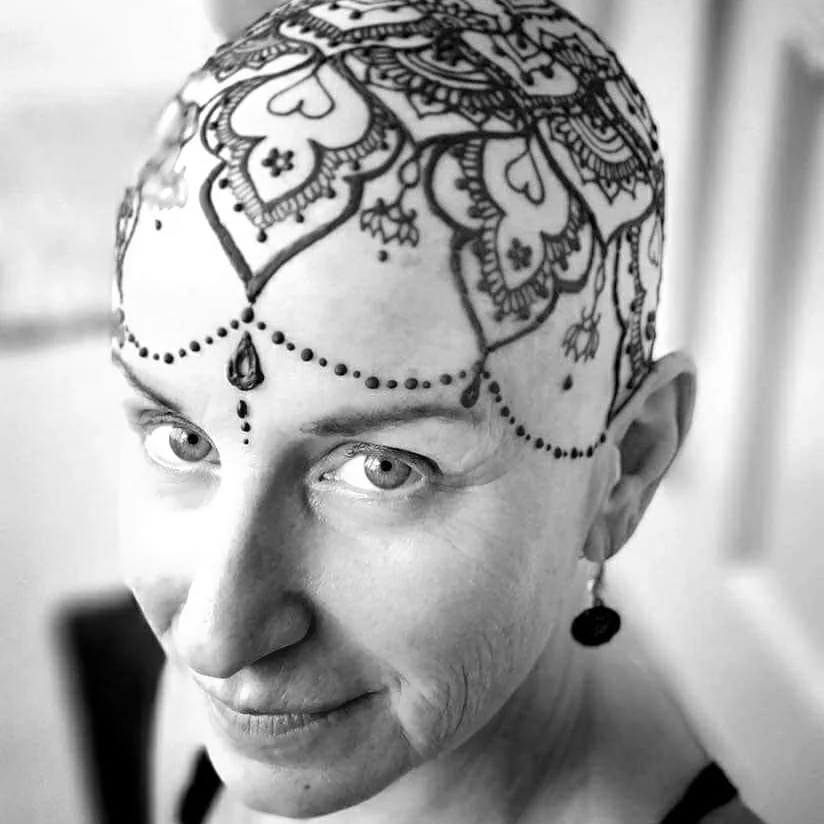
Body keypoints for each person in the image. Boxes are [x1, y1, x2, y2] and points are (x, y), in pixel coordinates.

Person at [110, 1, 766, 821]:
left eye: (382, 470)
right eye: (180, 440)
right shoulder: (217, 709)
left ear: (625, 466)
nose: (213, 638)